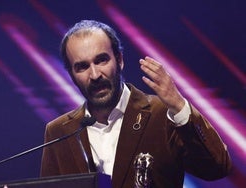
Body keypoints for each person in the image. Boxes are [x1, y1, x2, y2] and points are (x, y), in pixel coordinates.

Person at [40, 20, 232, 187]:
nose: (95, 75)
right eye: (82, 67)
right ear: (71, 75)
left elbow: (216, 168)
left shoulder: (163, 114)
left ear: (120, 60)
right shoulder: (59, 132)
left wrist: (179, 107)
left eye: (102, 60)